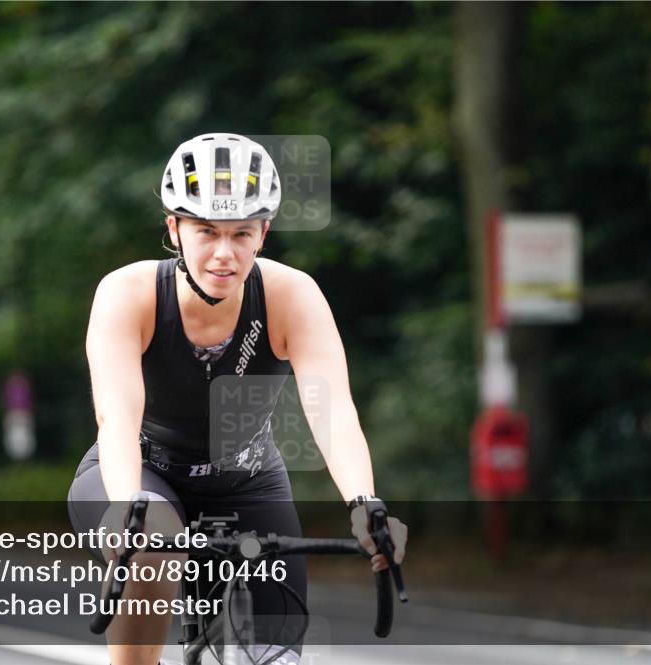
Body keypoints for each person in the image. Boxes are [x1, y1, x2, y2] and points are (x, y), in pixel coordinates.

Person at [68, 133, 407, 665]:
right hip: (141, 474)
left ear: (264, 233)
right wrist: (124, 504)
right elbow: (116, 416)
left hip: (248, 481)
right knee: (154, 549)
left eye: (241, 234)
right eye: (206, 231)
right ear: (174, 227)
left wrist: (365, 504)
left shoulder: (291, 295)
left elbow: (333, 410)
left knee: (273, 658)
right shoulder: (127, 294)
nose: (224, 254)